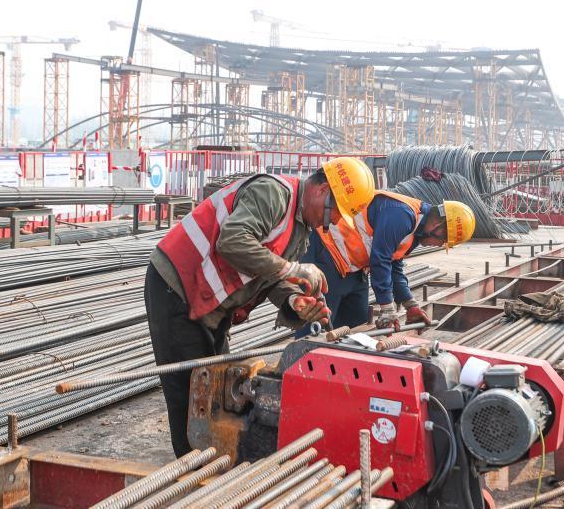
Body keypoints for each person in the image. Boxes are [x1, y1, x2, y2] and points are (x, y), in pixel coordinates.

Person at [145, 157, 375, 457]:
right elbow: (233, 240)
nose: (330, 223)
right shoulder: (273, 194)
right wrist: (293, 268)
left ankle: (210, 461)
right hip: (177, 284)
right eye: (333, 213)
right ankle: (193, 473)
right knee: (191, 390)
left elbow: (270, 274)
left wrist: (295, 300)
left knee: (216, 382)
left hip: (211, 299)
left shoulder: (301, 228)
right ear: (321, 190)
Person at [298, 193, 475, 336]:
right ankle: (299, 364)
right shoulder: (402, 215)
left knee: (356, 321)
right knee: (319, 322)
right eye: (443, 240)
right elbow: (380, 259)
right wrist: (387, 307)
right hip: (326, 250)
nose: (438, 245)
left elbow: (394, 264)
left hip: (352, 265)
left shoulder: (416, 230)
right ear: (437, 225)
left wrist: (410, 305)